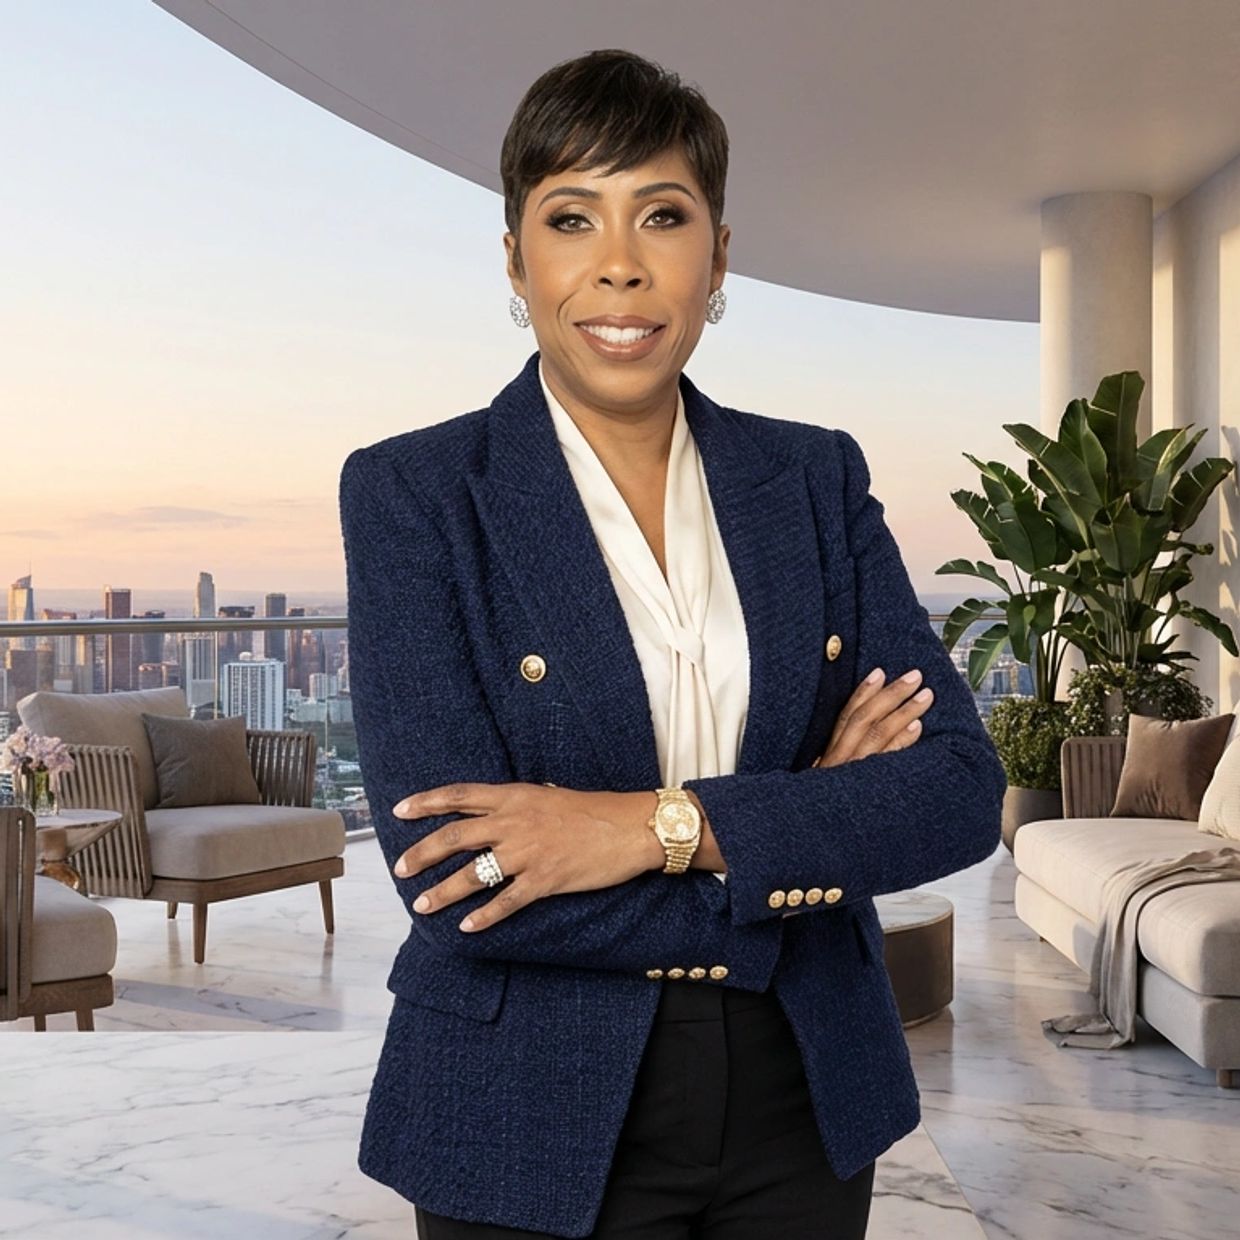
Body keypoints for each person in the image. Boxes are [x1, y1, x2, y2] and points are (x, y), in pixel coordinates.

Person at [339, 48, 1005, 1240]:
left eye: (661, 214)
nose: (620, 263)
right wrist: (802, 822)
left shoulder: (813, 478)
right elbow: (459, 882)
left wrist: (650, 828)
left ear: (718, 255)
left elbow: (955, 792)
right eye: (570, 218)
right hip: (524, 1107)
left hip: (804, 1096)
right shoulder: (416, 493)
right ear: (515, 259)